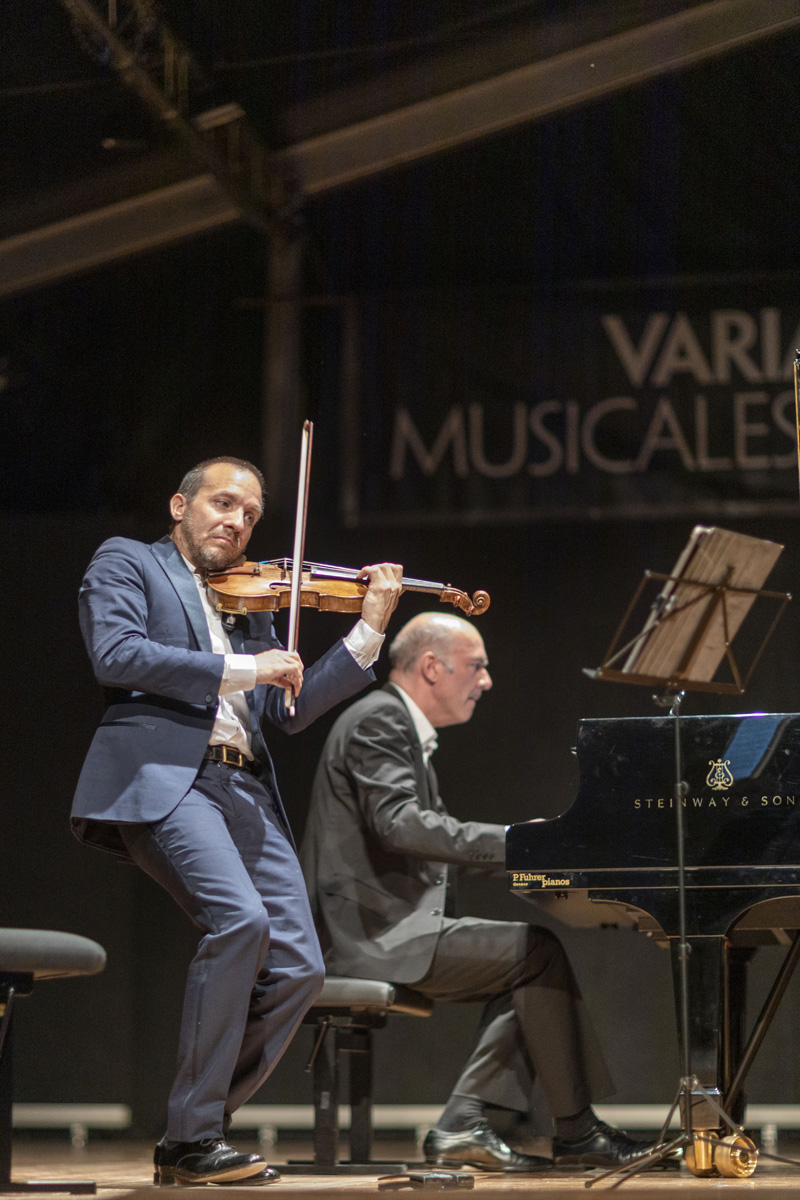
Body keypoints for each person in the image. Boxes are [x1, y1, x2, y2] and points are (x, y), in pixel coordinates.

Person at [71, 456, 403, 1186]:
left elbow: (290, 708)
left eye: (250, 515)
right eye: (224, 504)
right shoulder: (129, 561)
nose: (238, 522)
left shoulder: (249, 600)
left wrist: (369, 628)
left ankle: (194, 1132)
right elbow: (117, 654)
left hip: (244, 788)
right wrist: (251, 669)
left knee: (299, 968)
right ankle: (193, 1136)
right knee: (240, 923)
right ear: (179, 505)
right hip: (172, 776)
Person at [300, 612, 646, 1173]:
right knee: (535, 954)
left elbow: (431, 844)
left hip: (384, 926)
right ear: (431, 667)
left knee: (532, 963)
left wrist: (545, 865)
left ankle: (480, 1122)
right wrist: (519, 844)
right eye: (476, 666)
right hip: (367, 935)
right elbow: (402, 827)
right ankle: (557, 1130)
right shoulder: (379, 720)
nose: (486, 681)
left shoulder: (397, 726)